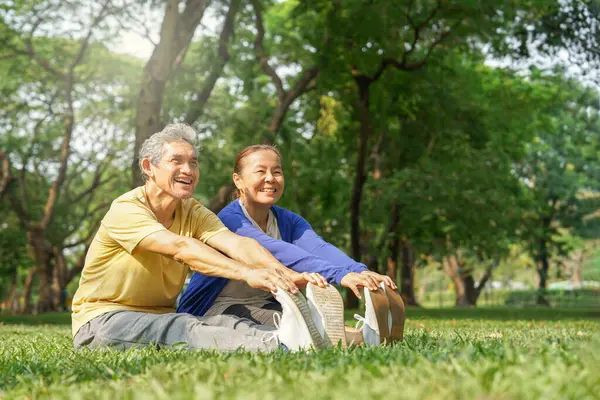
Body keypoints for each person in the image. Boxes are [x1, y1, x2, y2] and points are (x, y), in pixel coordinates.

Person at [71, 124, 335, 352]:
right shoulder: (126, 209)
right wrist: (248, 273)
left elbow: (237, 244)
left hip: (162, 315)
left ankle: (298, 336)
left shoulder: (193, 211)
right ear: (149, 167)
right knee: (182, 327)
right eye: (177, 161)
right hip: (103, 320)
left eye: (193, 162)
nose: (188, 169)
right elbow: (180, 247)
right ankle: (281, 346)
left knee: (222, 321)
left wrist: (283, 274)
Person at [178, 144, 406, 346]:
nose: (270, 178)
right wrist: (339, 275)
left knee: (309, 322)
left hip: (265, 302)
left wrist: (360, 271)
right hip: (214, 308)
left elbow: (318, 248)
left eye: (277, 172)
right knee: (294, 331)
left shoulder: (288, 220)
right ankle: (367, 337)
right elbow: (280, 252)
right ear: (238, 180)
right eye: (260, 171)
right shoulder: (230, 220)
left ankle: (367, 334)